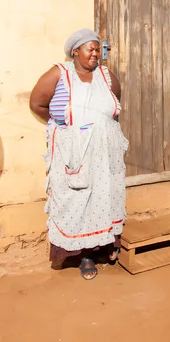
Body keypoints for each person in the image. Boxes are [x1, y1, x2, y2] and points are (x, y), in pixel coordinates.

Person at [29, 29, 128, 280]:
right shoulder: (59, 73)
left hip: (105, 152)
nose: (95, 54)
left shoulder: (105, 76)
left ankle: (102, 248)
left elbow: (114, 102)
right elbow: (37, 104)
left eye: (97, 50)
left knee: (105, 198)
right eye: (90, 49)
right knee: (77, 200)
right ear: (75, 51)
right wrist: (65, 128)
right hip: (74, 152)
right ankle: (83, 255)